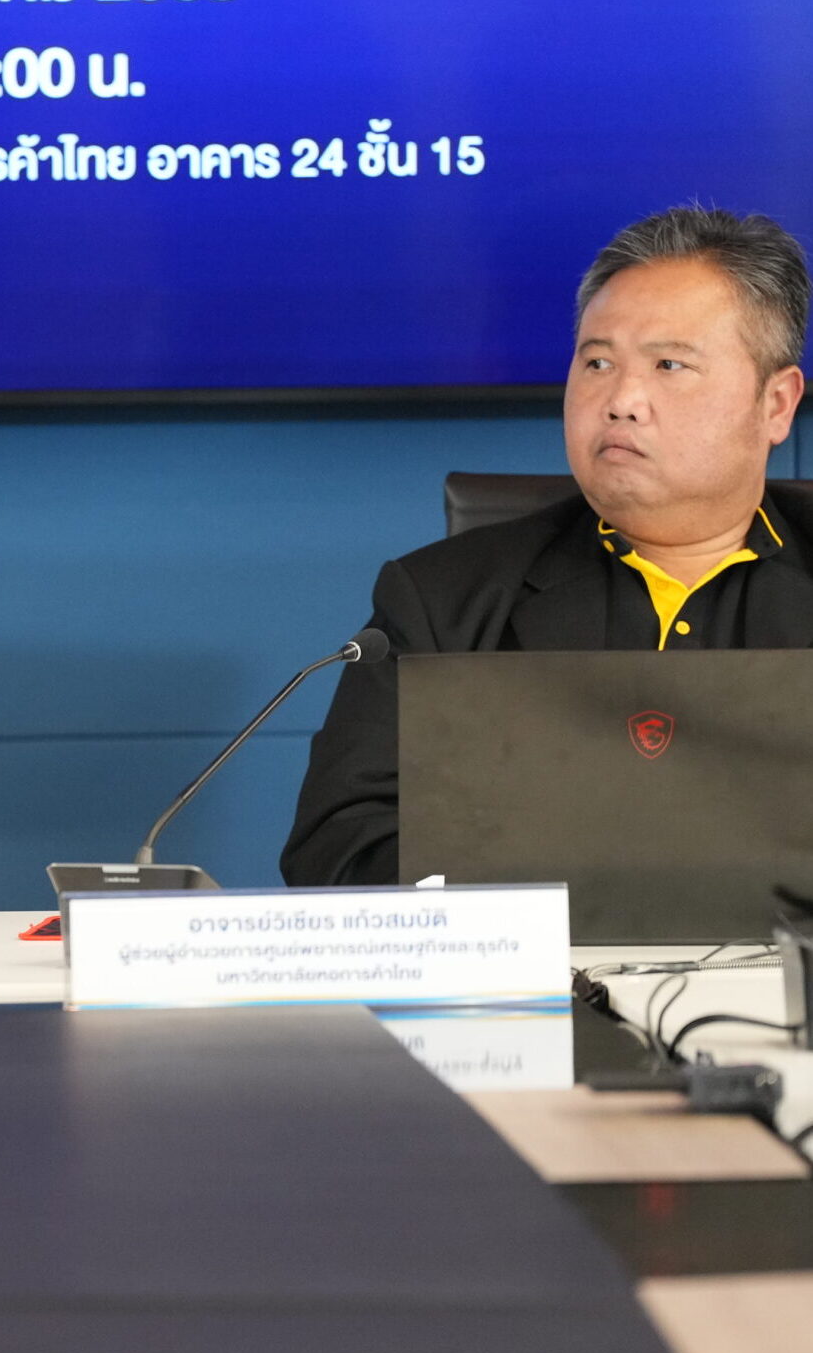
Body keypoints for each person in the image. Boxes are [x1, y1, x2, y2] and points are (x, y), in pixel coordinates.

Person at [281, 204, 810, 887]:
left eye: (669, 364)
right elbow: (338, 847)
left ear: (775, 404)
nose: (621, 399)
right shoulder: (442, 601)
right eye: (597, 362)